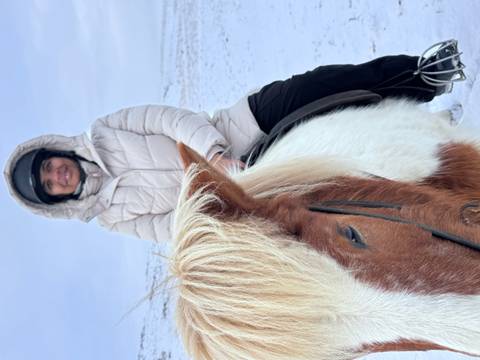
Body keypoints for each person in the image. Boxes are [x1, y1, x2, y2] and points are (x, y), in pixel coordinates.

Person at [4, 40, 466, 242]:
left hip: (235, 129)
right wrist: (225, 190)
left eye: (49, 166)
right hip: (248, 184)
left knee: (318, 86)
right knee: (339, 195)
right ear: (58, 198)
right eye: (51, 184)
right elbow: (174, 224)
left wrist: (216, 155)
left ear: (55, 152)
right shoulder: (112, 217)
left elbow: (169, 120)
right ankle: (433, 164)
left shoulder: (104, 131)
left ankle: (423, 76)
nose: (57, 175)